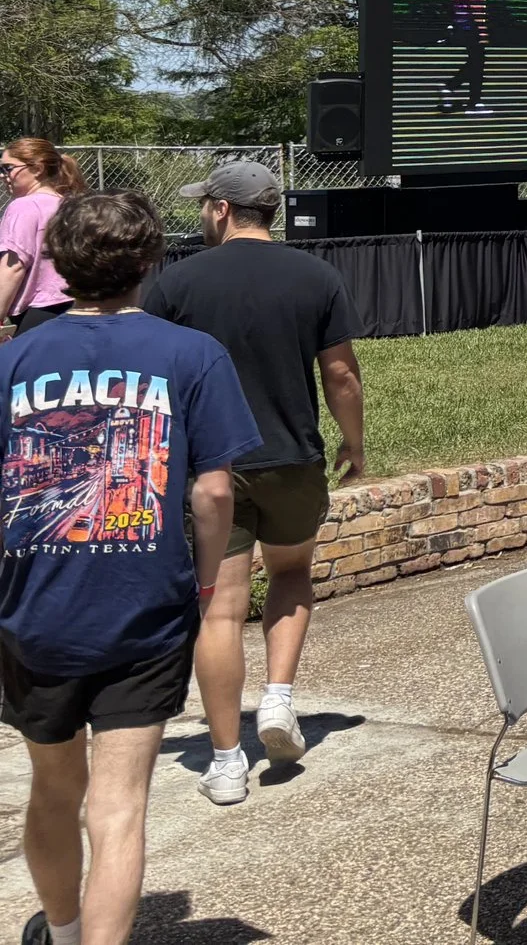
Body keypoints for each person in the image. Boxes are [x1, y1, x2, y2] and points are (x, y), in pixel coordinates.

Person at [3, 192, 260, 945]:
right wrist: (204, 581)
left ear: (57, 262)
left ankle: (62, 928)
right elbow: (214, 491)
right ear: (150, 261)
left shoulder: (11, 361)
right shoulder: (193, 354)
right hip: (144, 605)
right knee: (118, 809)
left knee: (54, 790)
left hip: (32, 612)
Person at [138, 160, 363, 805]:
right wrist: (353, 440)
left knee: (220, 606)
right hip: (292, 458)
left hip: (211, 468)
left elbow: (153, 377)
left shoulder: (177, 282)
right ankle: (278, 699)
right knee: (291, 574)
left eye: (203, 205)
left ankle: (226, 761)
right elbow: (341, 374)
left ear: (221, 209)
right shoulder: (316, 275)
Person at [0, 137, 86, 331]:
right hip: (78, 303)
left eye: (8, 168)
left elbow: (13, 267)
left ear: (38, 169)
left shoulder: (23, 206)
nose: (2, 175)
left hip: (39, 311)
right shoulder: (71, 205)